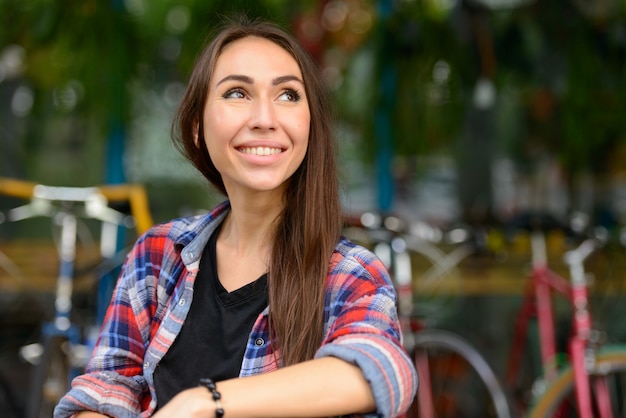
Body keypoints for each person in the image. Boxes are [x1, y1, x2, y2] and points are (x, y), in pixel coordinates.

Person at [54, 15, 417, 418]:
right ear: (197, 128)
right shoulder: (158, 255)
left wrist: (204, 403)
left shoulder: (348, 273)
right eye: (238, 93)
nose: (264, 118)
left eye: (288, 96)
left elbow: (380, 373)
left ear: (310, 127)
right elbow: (104, 391)